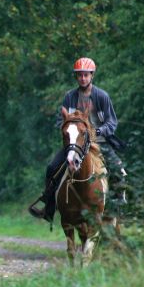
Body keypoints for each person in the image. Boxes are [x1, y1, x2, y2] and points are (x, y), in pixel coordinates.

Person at [28, 57, 126, 223]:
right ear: (76, 77)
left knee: (119, 170)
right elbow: (61, 121)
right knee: (52, 167)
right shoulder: (69, 97)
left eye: (86, 75)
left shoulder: (102, 96)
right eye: (79, 75)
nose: (83, 78)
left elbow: (112, 122)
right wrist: (68, 131)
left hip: (99, 143)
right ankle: (49, 206)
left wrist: (98, 130)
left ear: (92, 76)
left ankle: (117, 206)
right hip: (75, 145)